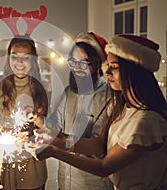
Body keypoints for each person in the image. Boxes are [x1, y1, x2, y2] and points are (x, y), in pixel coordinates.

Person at [34, 34, 167, 189]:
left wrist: (55, 151)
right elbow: (99, 143)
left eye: (114, 67)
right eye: (108, 66)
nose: (108, 72)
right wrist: (56, 139)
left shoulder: (147, 121)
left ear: (135, 72)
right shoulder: (123, 109)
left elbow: (104, 166)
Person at [40, 32, 113, 190]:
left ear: (98, 63)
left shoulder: (108, 96)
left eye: (85, 62)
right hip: (65, 182)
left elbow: (99, 146)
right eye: (74, 62)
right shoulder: (69, 92)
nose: (78, 68)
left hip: (91, 183)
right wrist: (38, 120)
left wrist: (58, 145)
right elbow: (55, 124)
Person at [0, 36, 50, 190]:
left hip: (32, 158)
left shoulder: (43, 87)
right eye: (14, 56)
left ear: (33, 60)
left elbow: (47, 128)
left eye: (26, 57)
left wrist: (30, 135)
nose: (19, 62)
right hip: (3, 158)